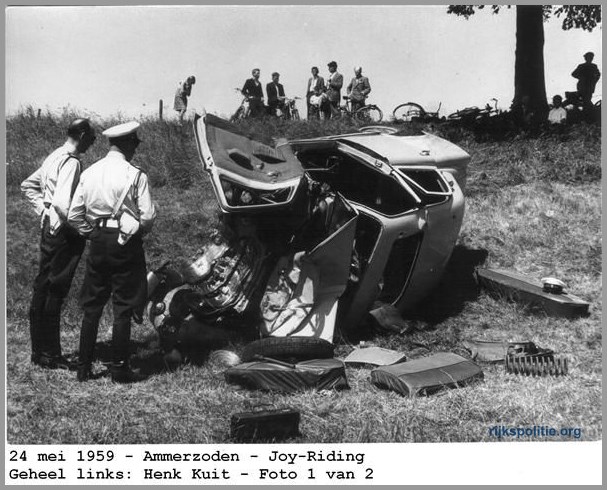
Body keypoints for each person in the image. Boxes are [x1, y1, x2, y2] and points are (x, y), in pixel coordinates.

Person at [68, 121, 157, 383]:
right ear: (128, 143)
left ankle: (83, 367)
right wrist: (135, 231)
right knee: (123, 306)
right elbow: (148, 216)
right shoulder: (135, 174)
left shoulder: (90, 172)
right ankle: (119, 368)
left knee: (92, 306)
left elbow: (74, 214)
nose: (135, 149)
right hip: (125, 242)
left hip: (98, 241)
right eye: (135, 144)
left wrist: (92, 233)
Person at [21, 118, 96, 370]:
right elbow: (64, 206)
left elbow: (28, 185)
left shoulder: (54, 155)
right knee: (55, 290)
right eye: (92, 135)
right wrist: (86, 230)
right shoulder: (72, 163)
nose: (94, 140)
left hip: (48, 229)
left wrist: (43, 209)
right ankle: (52, 354)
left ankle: (38, 351)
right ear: (83, 134)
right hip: (64, 233)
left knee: (42, 286)